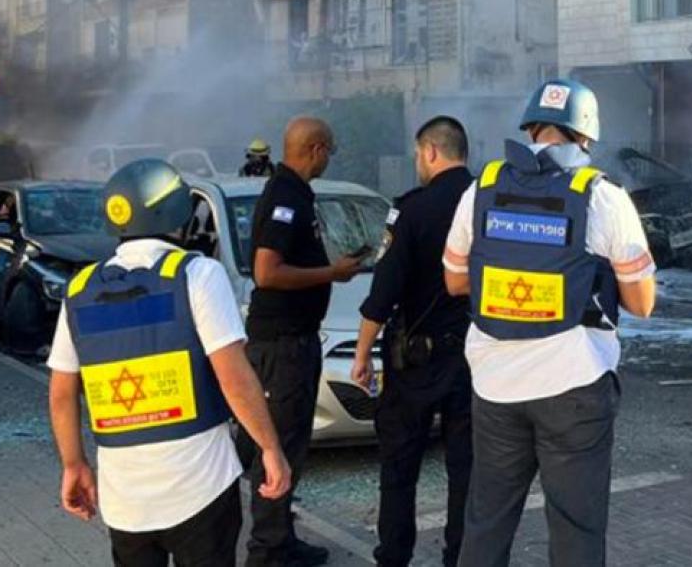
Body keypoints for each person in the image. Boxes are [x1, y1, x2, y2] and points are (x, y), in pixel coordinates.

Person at [442, 79, 658, 566]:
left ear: (531, 127)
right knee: (576, 529)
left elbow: (455, 281)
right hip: (574, 385)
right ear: (585, 135)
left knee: (487, 522)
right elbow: (642, 303)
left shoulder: (484, 187)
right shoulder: (601, 196)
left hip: (495, 385)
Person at [46, 159, 293, 566]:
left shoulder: (80, 289)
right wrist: (270, 448)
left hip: (125, 498)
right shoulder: (198, 274)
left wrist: (74, 464)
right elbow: (232, 374)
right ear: (176, 215)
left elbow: (61, 393)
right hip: (201, 487)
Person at [351, 116, 476, 567]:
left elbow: (384, 291)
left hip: (416, 363)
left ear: (429, 152)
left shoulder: (412, 209)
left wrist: (362, 352)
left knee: (400, 468)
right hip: (476, 358)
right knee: (467, 469)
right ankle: (461, 557)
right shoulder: (488, 204)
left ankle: (394, 557)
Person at [242, 117, 362, 567]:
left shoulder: (295, 193)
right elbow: (266, 271)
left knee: (290, 445)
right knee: (277, 443)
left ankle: (281, 537)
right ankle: (268, 550)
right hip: (281, 345)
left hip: (296, 340)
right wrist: (331, 273)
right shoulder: (285, 197)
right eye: (329, 148)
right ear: (314, 149)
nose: (330, 157)